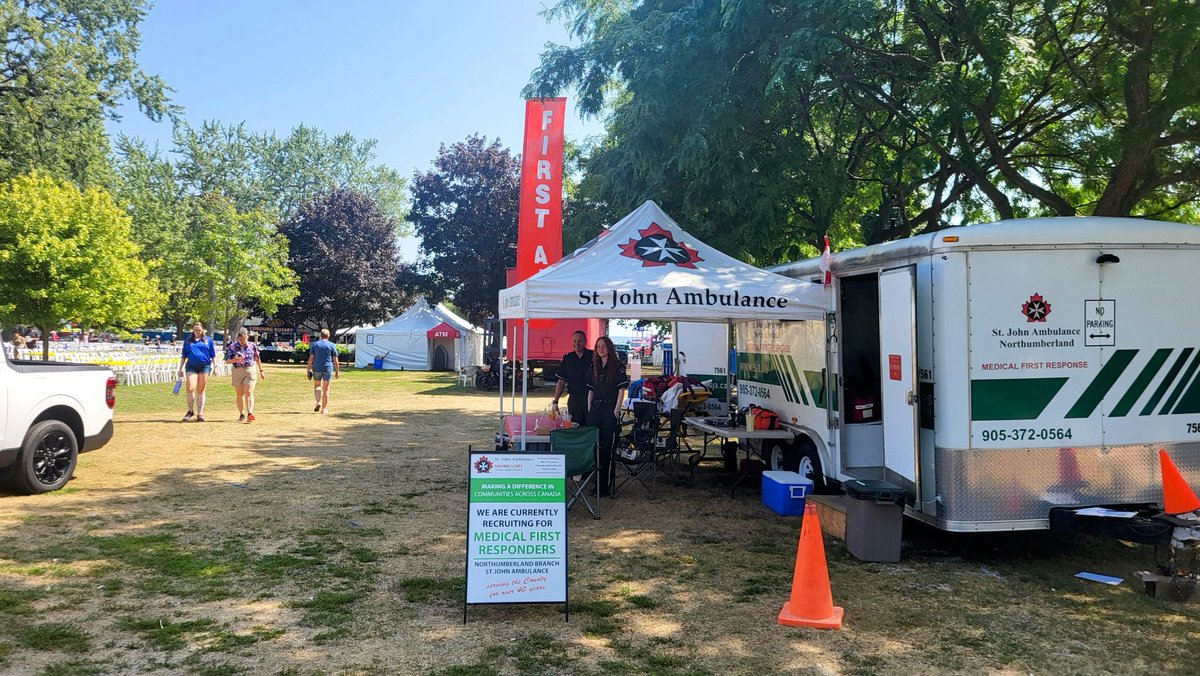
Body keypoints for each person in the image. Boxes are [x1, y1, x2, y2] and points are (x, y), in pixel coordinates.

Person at [587, 335, 630, 496]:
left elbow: (621, 390)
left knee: (606, 448)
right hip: (596, 410)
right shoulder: (594, 366)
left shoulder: (617, 366)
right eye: (598, 347)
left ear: (609, 348)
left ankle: (605, 486)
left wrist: (616, 410)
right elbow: (590, 390)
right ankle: (596, 483)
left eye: (603, 346)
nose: (600, 349)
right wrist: (590, 408)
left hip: (610, 409)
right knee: (594, 448)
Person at [551, 330, 592, 426]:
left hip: (591, 399)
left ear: (585, 341)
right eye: (574, 341)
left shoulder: (593, 356)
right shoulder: (568, 358)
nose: (576, 344)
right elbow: (561, 382)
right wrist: (555, 401)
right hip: (574, 400)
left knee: (590, 428)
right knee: (574, 428)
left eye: (579, 341)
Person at [177, 322, 216, 422]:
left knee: (201, 390)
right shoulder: (188, 341)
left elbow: (212, 354)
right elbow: (183, 356)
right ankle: (190, 411)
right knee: (190, 388)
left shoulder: (208, 341)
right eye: (195, 330)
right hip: (191, 366)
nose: (197, 332)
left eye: (199, 330)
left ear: (202, 330)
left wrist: (215, 366)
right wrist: (180, 368)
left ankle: (200, 413)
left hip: (204, 366)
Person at [227, 327, 266, 422]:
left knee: (248, 392)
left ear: (247, 337)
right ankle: (241, 413)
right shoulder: (232, 347)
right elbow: (227, 361)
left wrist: (261, 371)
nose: (242, 341)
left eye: (244, 339)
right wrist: (235, 360)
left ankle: (250, 413)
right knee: (240, 394)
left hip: (250, 370)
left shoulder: (252, 346)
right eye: (240, 340)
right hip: (238, 370)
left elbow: (257, 358)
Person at [307, 328, 341, 414]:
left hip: (317, 368)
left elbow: (311, 358)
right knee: (326, 389)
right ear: (328, 336)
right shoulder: (332, 345)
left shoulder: (315, 344)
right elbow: (335, 360)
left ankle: (318, 402)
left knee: (317, 386)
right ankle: (324, 409)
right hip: (328, 368)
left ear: (320, 335)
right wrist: (337, 371)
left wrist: (308, 368)